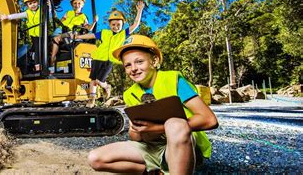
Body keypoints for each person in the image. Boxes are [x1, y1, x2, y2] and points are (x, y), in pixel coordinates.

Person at [87, 35, 219, 174]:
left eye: (139, 62)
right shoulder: (130, 94)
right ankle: (155, 172)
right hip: (153, 148)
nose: (134, 69)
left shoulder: (172, 80)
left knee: (174, 124)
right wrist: (135, 130)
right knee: (95, 158)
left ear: (154, 61)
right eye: (128, 65)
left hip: (183, 147)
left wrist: (157, 128)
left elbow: (210, 120)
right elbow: (136, 138)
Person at [75, 0, 145, 107]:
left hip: (109, 61)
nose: (116, 26)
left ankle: (107, 86)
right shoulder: (104, 33)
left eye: (118, 24)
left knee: (99, 80)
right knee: (93, 80)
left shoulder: (122, 34)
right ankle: (92, 100)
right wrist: (79, 37)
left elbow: (135, 25)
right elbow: (92, 36)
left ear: (122, 24)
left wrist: (139, 11)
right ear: (109, 24)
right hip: (97, 58)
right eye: (113, 24)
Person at [50, 0, 97, 68]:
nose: (77, 5)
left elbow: (89, 29)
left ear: (82, 5)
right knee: (54, 38)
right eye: (75, 3)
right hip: (62, 31)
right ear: (72, 4)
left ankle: (52, 59)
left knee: (62, 36)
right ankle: (52, 58)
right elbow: (60, 21)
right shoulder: (68, 12)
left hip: (72, 34)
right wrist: (51, 9)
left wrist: (94, 22)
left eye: (79, 3)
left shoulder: (83, 16)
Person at [0, 0, 42, 71]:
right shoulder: (27, 13)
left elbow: (49, 16)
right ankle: (35, 66)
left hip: (41, 34)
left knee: (39, 49)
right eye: (30, 4)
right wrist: (7, 17)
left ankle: (38, 66)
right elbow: (18, 15)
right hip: (34, 35)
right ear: (27, 5)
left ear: (38, 2)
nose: (33, 5)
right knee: (35, 49)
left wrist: (49, 8)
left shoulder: (42, 10)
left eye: (34, 2)